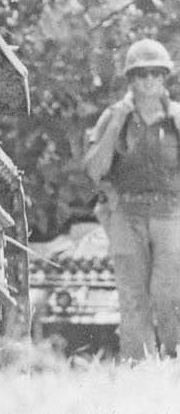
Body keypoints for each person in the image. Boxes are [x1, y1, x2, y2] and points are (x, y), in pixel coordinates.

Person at [82, 36, 180, 357]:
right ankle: (139, 369)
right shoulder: (115, 116)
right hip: (127, 213)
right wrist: (117, 124)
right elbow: (95, 170)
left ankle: (174, 361)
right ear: (131, 79)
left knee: (169, 294)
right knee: (133, 296)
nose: (149, 80)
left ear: (165, 77)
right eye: (141, 74)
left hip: (170, 214)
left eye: (156, 73)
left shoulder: (177, 118)